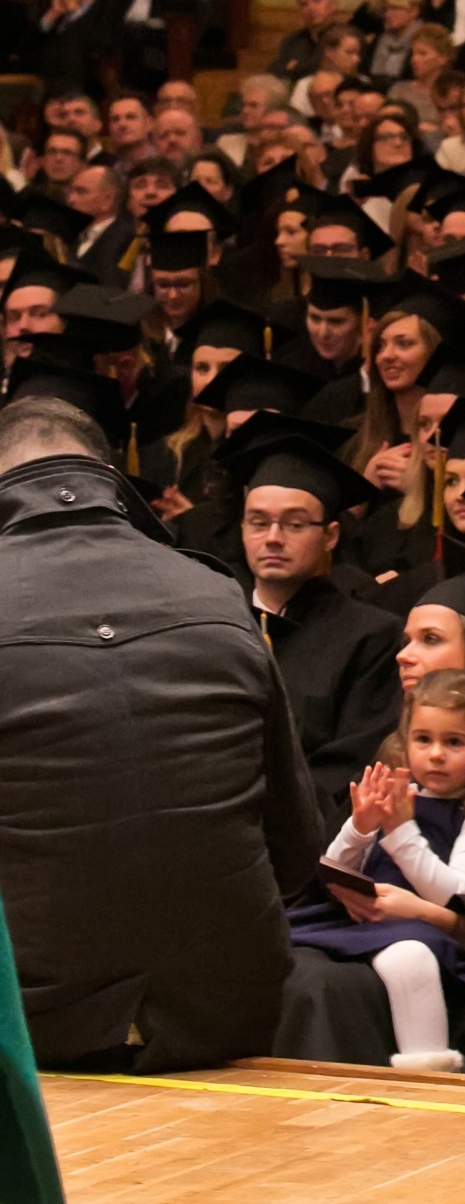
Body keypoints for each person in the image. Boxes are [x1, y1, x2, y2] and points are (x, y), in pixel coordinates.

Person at [0, 395, 322, 1070]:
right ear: (109, 477)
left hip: (30, 1021)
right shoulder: (215, 591)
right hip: (227, 1004)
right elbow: (295, 848)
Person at [289, 668, 465, 1072]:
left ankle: (428, 1073)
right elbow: (336, 867)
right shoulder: (400, 796)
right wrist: (360, 827)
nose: (436, 754)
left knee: (408, 958)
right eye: (423, 739)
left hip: (421, 927)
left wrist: (401, 832)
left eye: (454, 742)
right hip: (361, 921)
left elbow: (459, 894)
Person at [225, 430, 404, 830]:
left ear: (331, 536)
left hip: (306, 835)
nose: (273, 538)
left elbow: (353, 763)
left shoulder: (371, 636)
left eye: (294, 524)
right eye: (259, 523)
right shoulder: (215, 622)